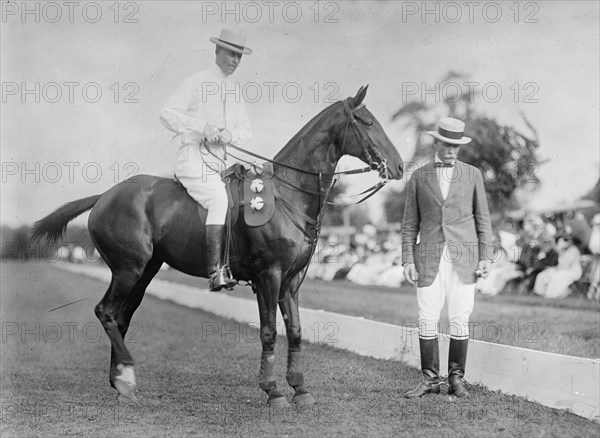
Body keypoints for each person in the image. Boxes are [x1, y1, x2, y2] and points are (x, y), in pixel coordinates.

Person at [401, 117, 493, 398]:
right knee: (427, 315)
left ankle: (456, 380)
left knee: (459, 316)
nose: (452, 150)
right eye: (447, 144)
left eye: (457, 145)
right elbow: (409, 225)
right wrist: (407, 259)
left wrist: (485, 257)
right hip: (428, 257)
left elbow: (483, 220)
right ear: (437, 142)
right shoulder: (419, 176)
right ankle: (430, 380)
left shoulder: (473, 174)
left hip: (464, 258)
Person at [160, 29, 253, 291]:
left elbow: (246, 130)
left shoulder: (235, 92)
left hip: (220, 166)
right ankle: (215, 271)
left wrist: (229, 134)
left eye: (238, 57)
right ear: (217, 52)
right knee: (218, 199)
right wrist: (203, 127)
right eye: (230, 54)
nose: (234, 61)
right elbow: (167, 114)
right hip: (193, 159)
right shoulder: (196, 81)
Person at [533, 232, 582, 299]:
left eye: (567, 240)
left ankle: (553, 295)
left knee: (557, 276)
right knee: (543, 274)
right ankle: (540, 293)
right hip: (561, 269)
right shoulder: (563, 250)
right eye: (565, 240)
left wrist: (558, 268)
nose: (566, 242)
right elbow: (559, 259)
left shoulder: (574, 250)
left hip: (572, 271)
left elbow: (567, 264)